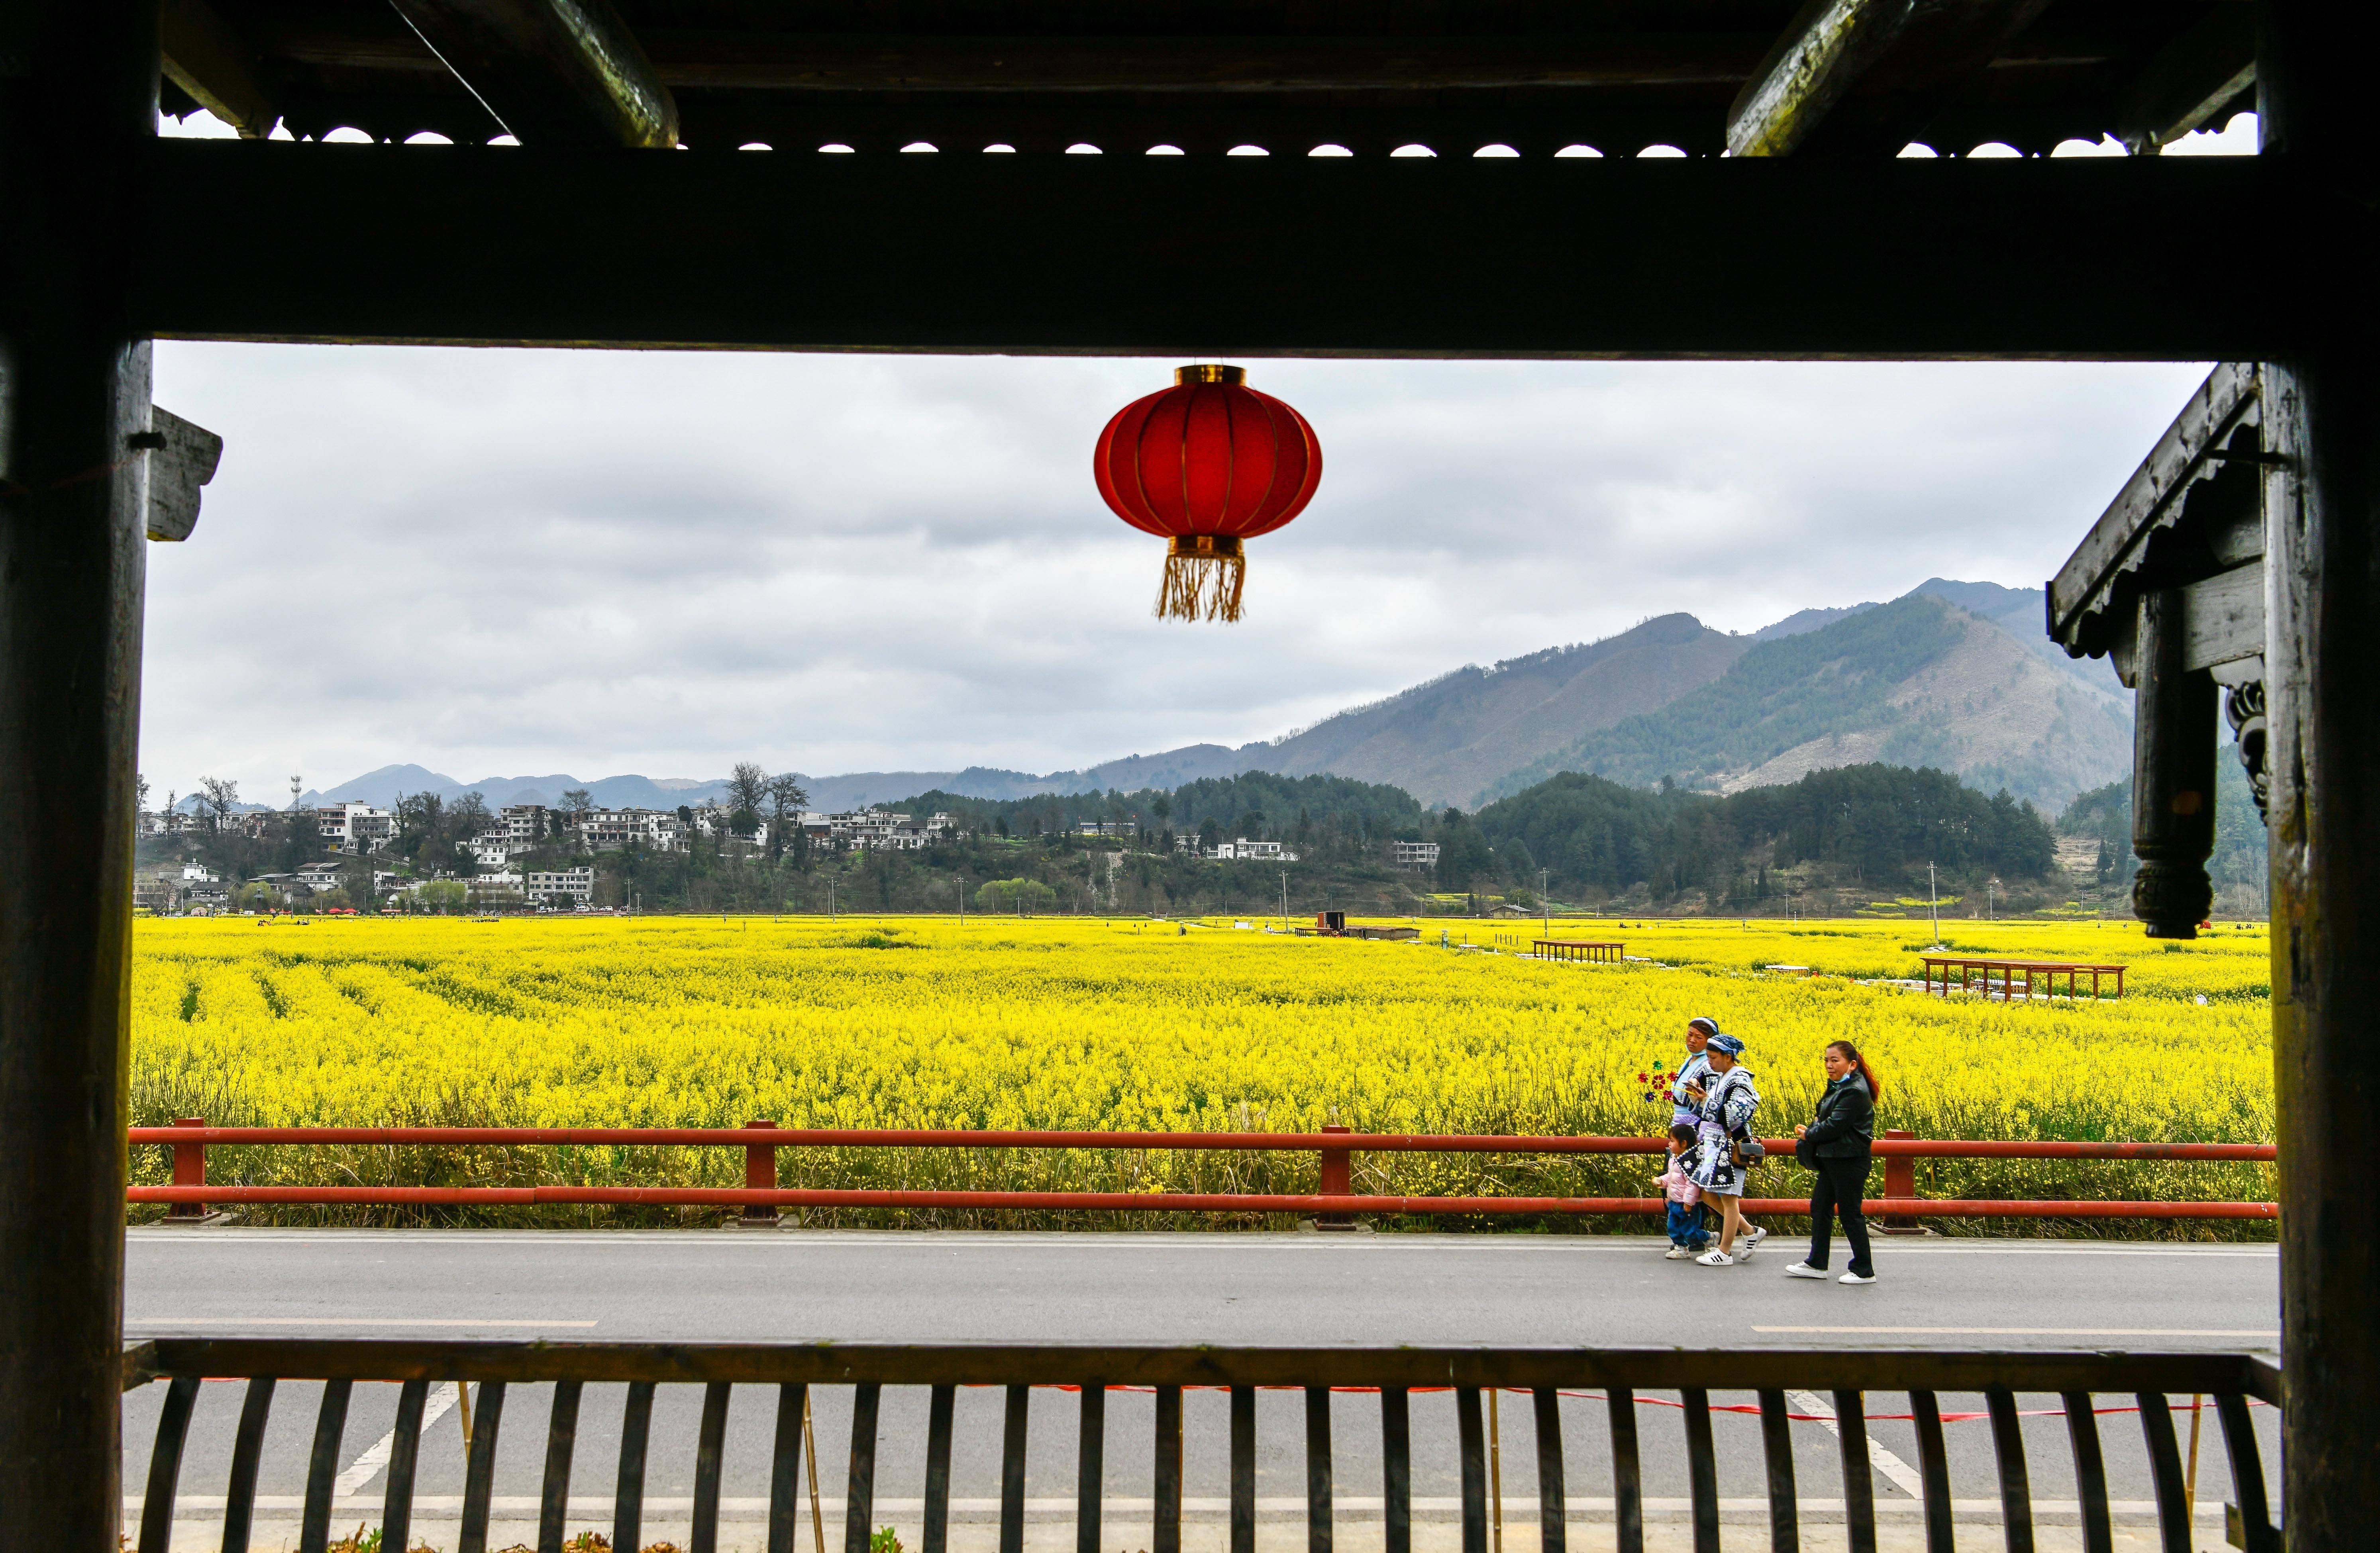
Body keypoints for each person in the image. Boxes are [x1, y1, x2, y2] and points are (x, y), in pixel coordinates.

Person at [1785, 1039, 1880, 1286]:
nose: (1829, 1065)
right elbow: (1827, 1119)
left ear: (1852, 1065)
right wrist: (1816, 1127)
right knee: (1820, 1208)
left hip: (1849, 1160)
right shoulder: (1840, 1087)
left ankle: (1863, 1270)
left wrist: (1809, 1134)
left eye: (1835, 1060)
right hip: (1835, 1159)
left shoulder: (1854, 1091)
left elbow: (1835, 1126)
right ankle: (1817, 1263)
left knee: (1850, 1215)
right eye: (1827, 1060)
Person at [1686, 1033, 1762, 1265]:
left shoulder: (1741, 1080)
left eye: (1713, 1057)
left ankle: (1725, 1251)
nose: (1709, 1062)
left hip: (1732, 1145)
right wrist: (1697, 1096)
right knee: (1706, 1193)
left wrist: (1705, 1100)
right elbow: (1705, 1111)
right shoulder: (1720, 1076)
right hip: (1714, 1143)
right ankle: (1750, 1232)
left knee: (1730, 1198)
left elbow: (1733, 1116)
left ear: (1728, 1057)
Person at [1654, 1122, 1706, 1259]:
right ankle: (1681, 1248)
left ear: (1683, 1144)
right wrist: (1662, 1181)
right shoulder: (1674, 1159)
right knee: (1673, 1228)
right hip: (1674, 1201)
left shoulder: (1690, 1163)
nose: (1669, 1144)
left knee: (1690, 1232)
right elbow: (1672, 1177)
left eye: (1672, 1141)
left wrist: (1689, 1202)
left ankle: (1709, 1237)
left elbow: (1692, 1184)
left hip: (1686, 1204)